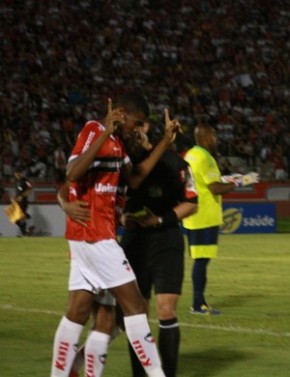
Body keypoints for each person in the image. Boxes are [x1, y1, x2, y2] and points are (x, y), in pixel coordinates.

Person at [51, 90, 179, 377]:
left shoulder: (119, 144)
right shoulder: (95, 130)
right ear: (121, 112)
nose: (140, 127)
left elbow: (134, 179)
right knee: (136, 305)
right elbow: (72, 172)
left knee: (87, 313)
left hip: (96, 234)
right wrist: (65, 203)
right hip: (95, 236)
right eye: (138, 121)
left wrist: (164, 143)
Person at [117, 124, 198, 377]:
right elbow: (114, 202)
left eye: (136, 130)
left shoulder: (176, 163)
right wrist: (123, 219)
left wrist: (160, 220)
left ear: (145, 130)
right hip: (135, 242)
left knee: (166, 309)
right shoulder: (126, 165)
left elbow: (191, 203)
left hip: (166, 241)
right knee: (136, 313)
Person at [182, 124, 259, 315]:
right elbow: (215, 188)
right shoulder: (205, 158)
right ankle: (198, 304)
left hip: (193, 214)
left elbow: (207, 181)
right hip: (204, 216)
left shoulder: (191, 154)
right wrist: (240, 181)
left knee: (201, 259)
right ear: (206, 137)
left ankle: (199, 302)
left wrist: (231, 178)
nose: (216, 140)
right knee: (202, 260)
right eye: (214, 136)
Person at [13, 169, 32, 236]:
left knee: (20, 216)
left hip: (23, 201)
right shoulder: (16, 181)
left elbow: (30, 189)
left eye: (18, 173)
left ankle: (23, 232)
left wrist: (22, 196)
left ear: (21, 173)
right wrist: (14, 198)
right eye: (16, 174)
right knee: (15, 218)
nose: (17, 175)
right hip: (17, 202)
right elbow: (17, 192)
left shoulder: (25, 181)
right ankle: (24, 231)